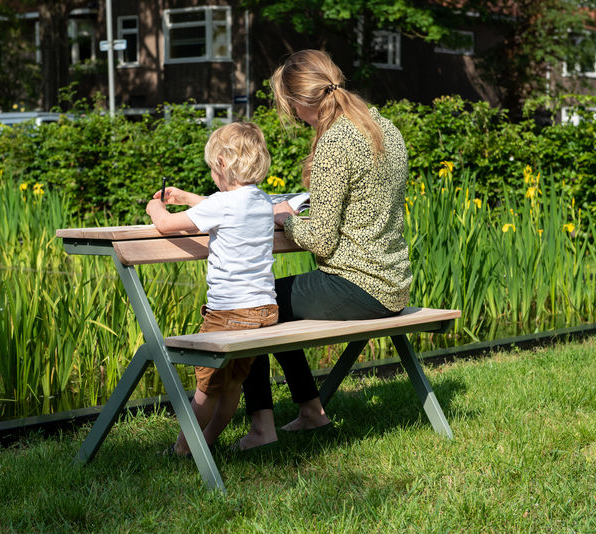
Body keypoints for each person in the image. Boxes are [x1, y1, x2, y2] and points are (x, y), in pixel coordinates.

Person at [236, 49, 412, 451]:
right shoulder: (383, 126)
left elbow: (321, 241)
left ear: (300, 102)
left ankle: (262, 428)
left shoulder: (335, 141)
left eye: (287, 104)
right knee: (278, 302)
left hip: (357, 284)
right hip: (392, 283)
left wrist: (285, 217)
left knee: (251, 304)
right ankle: (310, 412)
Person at [146, 122, 278, 457]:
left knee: (205, 389)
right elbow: (227, 204)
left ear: (222, 163)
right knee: (232, 384)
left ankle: (181, 448)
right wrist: (188, 198)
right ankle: (204, 442)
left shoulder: (222, 204)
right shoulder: (261, 200)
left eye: (211, 169)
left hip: (228, 315)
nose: (211, 176)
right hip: (263, 313)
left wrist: (155, 207)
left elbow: (165, 226)